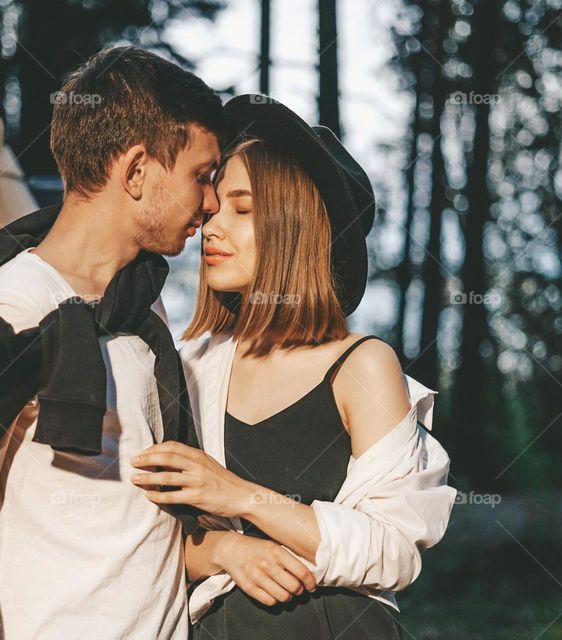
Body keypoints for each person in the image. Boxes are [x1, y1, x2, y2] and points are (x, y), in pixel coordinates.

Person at [0, 46, 224, 640]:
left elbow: (131, 518)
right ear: (136, 171)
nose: (209, 204)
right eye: (201, 177)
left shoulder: (138, 305)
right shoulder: (19, 305)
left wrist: (230, 551)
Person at [129, 95, 457, 639]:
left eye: (243, 209)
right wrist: (227, 550)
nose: (211, 228)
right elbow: (141, 538)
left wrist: (240, 495)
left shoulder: (361, 365)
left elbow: (395, 551)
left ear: (294, 227)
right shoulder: (189, 367)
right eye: (212, 211)